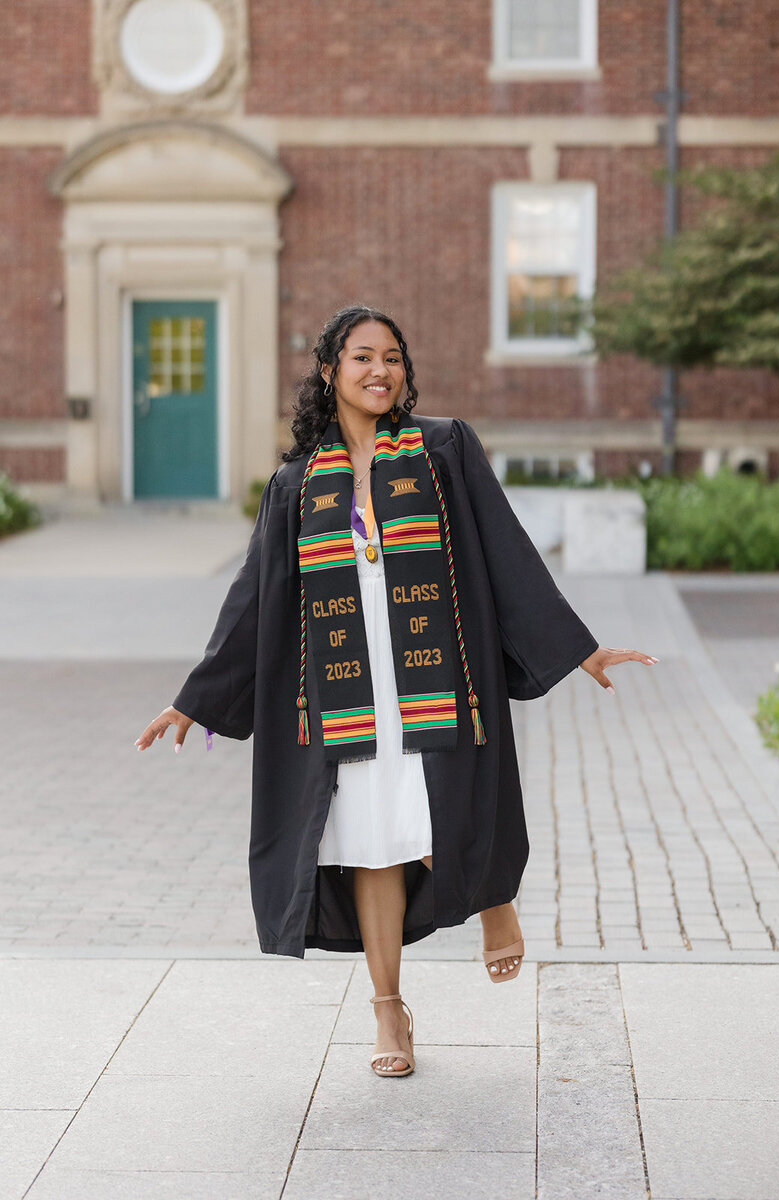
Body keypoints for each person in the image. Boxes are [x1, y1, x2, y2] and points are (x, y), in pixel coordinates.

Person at [135, 304, 657, 1078]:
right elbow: (257, 594)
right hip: (346, 685)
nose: (380, 371)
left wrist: (572, 646)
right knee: (371, 841)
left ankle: (493, 901)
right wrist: (200, 697)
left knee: (452, 795)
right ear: (329, 372)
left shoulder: (443, 448)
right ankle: (389, 1010)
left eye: (393, 357)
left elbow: (505, 546)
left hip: (437, 669)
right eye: (361, 358)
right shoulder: (296, 484)